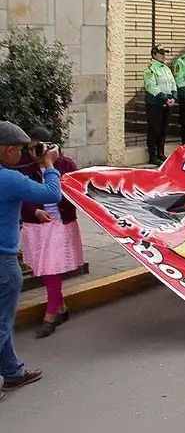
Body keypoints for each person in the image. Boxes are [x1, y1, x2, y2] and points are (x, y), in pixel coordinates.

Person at [0, 121, 62, 401]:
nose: (22, 155)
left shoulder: (10, 176)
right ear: (9, 150)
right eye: (19, 150)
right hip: (3, 261)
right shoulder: (9, 179)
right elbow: (51, 194)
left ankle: (13, 373)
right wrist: (48, 165)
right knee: (1, 323)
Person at [18, 126, 83, 339]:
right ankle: (61, 308)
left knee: (51, 269)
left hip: (61, 223)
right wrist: (34, 210)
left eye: (37, 148)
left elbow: (78, 191)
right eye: (30, 148)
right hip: (36, 224)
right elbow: (19, 195)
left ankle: (50, 315)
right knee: (46, 269)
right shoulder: (24, 166)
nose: (32, 153)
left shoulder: (65, 164)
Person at [142, 44, 177, 165]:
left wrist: (173, 96)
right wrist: (165, 98)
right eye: (161, 53)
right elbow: (152, 87)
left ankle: (161, 153)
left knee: (163, 130)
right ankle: (153, 155)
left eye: (164, 53)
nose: (163, 56)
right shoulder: (150, 69)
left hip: (167, 103)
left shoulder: (166, 69)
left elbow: (173, 84)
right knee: (154, 129)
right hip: (155, 104)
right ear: (154, 54)